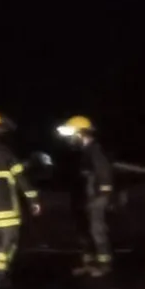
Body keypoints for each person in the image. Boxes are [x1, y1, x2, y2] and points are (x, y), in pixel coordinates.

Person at [0, 113, 41, 289]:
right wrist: (34, 200)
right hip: (5, 212)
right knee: (9, 243)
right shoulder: (4, 152)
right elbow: (22, 179)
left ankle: (2, 275)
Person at [57, 115, 114, 277]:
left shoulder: (95, 150)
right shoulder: (83, 152)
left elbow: (104, 173)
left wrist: (103, 196)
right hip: (86, 198)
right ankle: (89, 262)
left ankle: (104, 265)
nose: (70, 140)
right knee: (85, 231)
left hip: (95, 198)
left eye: (71, 135)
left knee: (97, 230)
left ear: (81, 134)